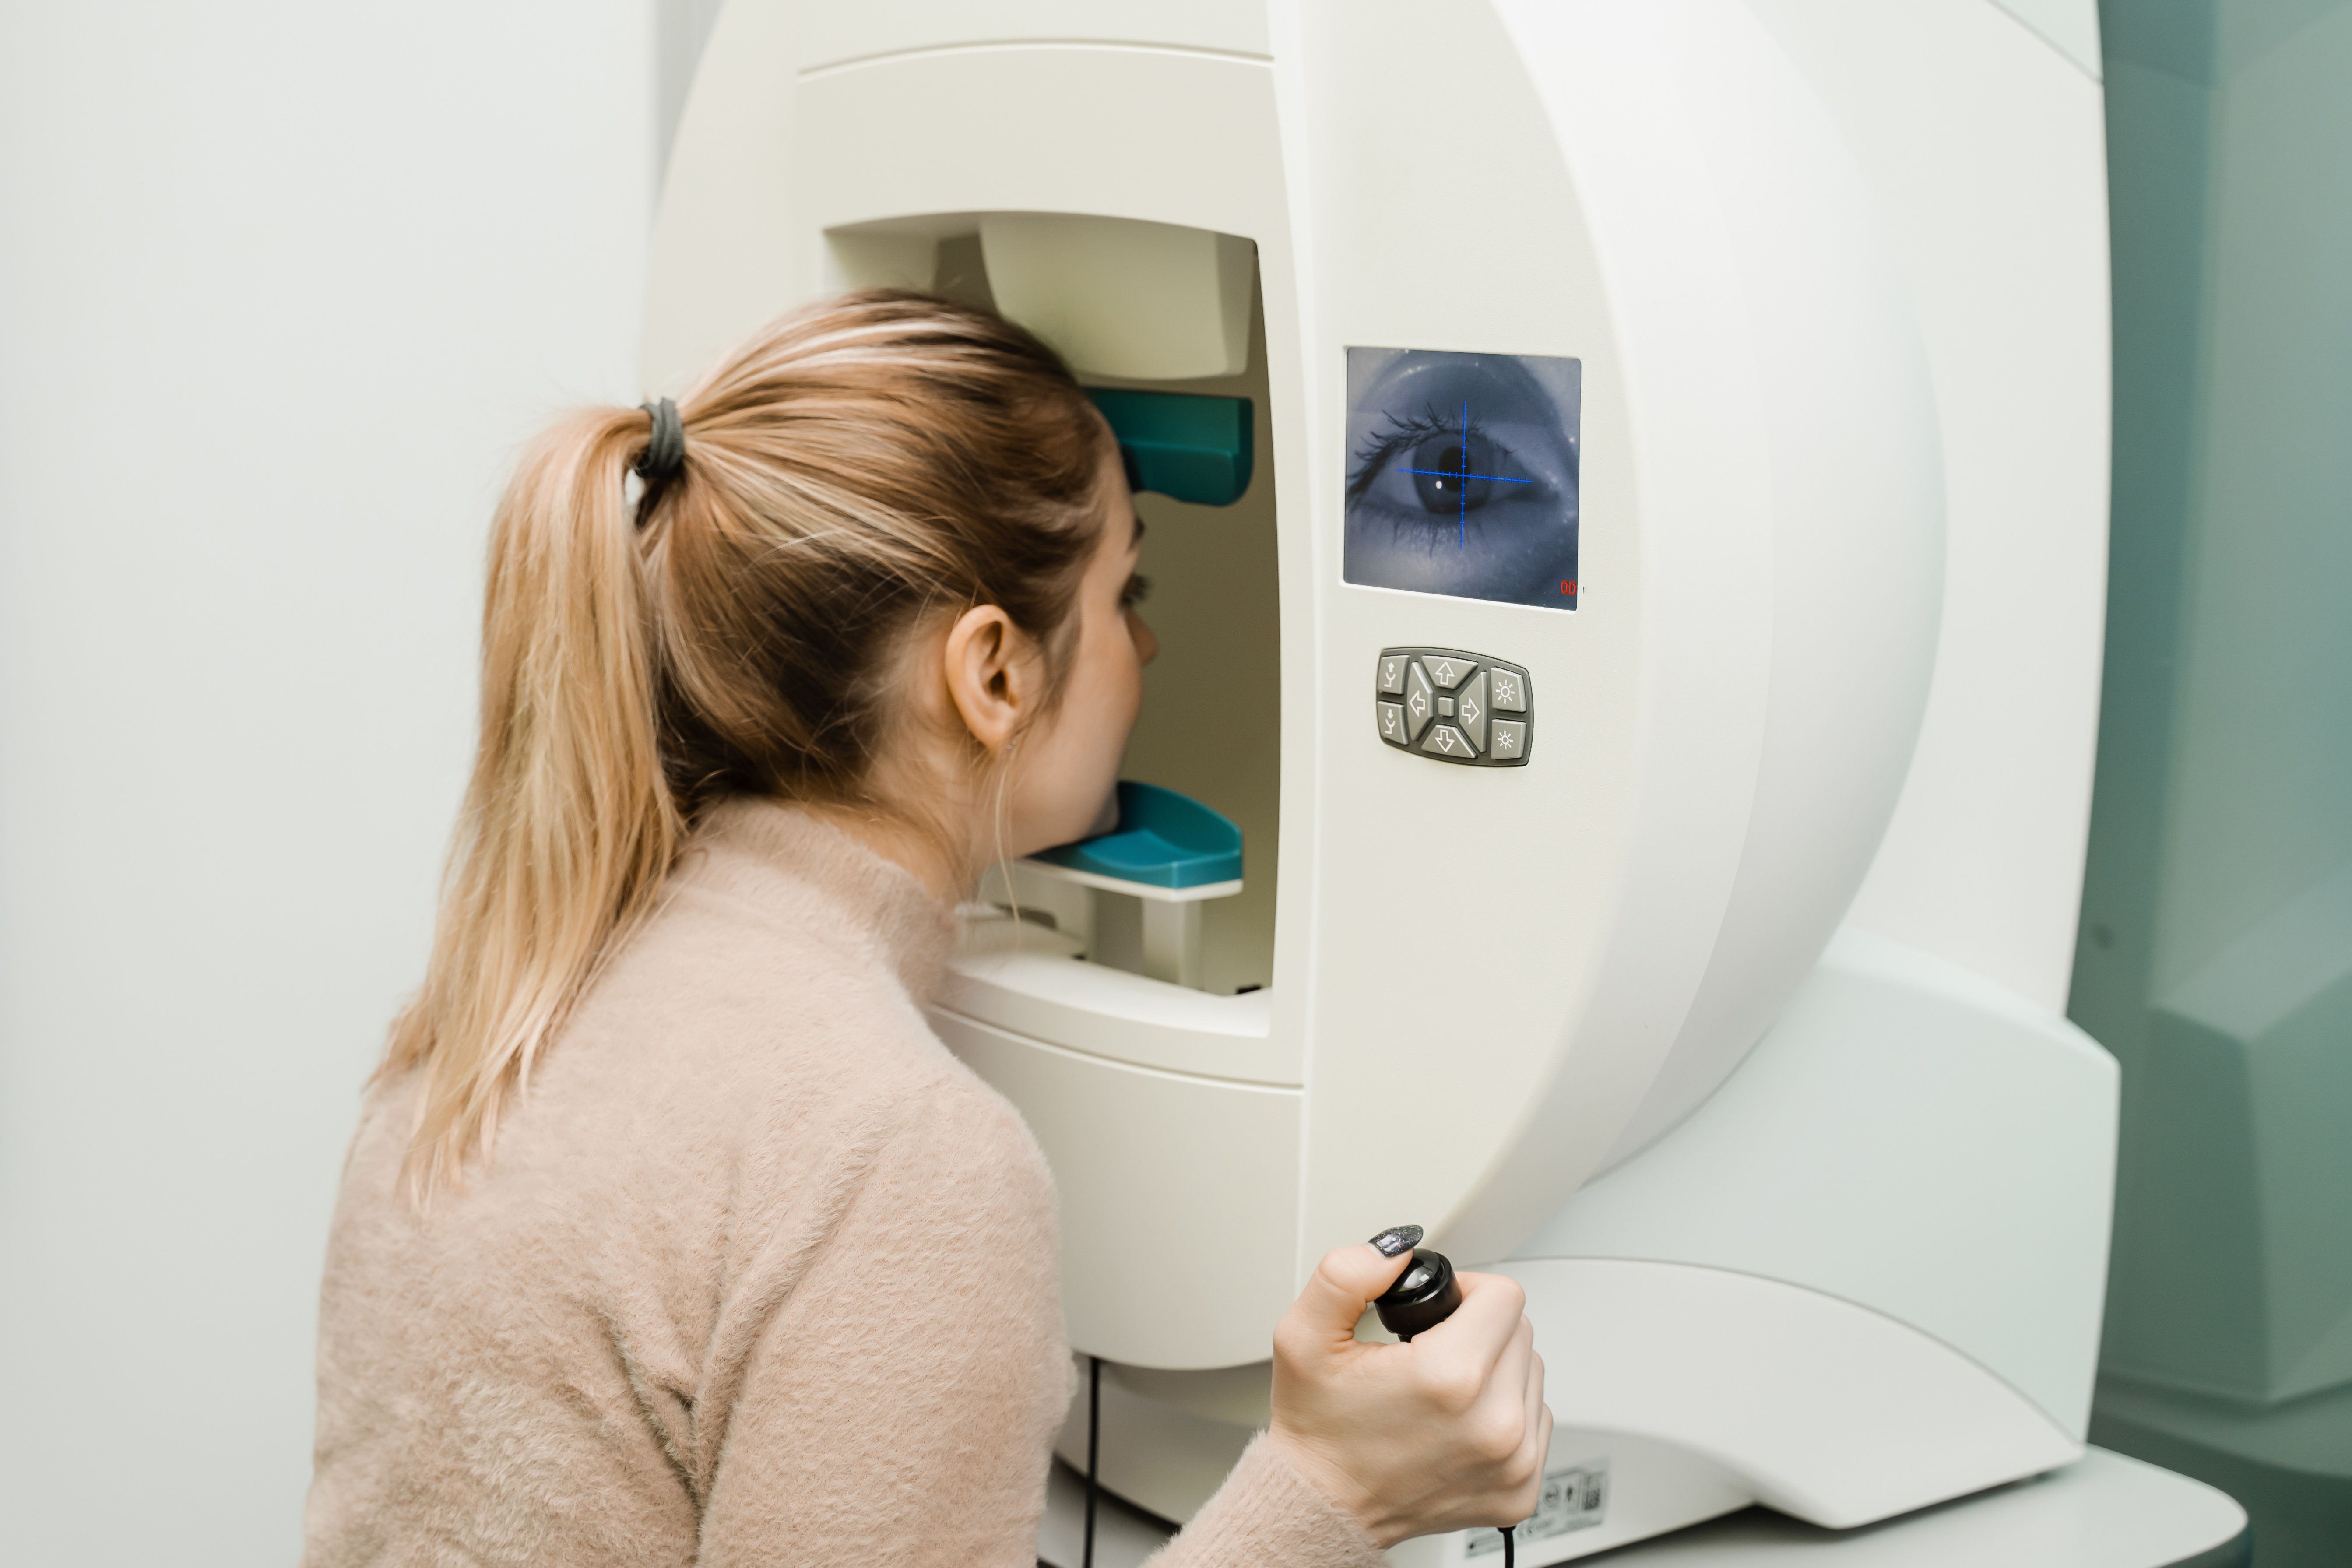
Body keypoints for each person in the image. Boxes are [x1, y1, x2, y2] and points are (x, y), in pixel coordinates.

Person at [304, 292, 1551, 1566]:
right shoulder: (894, 1156)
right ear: (993, 674)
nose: (1151, 641)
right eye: (1129, 588)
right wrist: (1332, 1488)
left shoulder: (509, 1003)